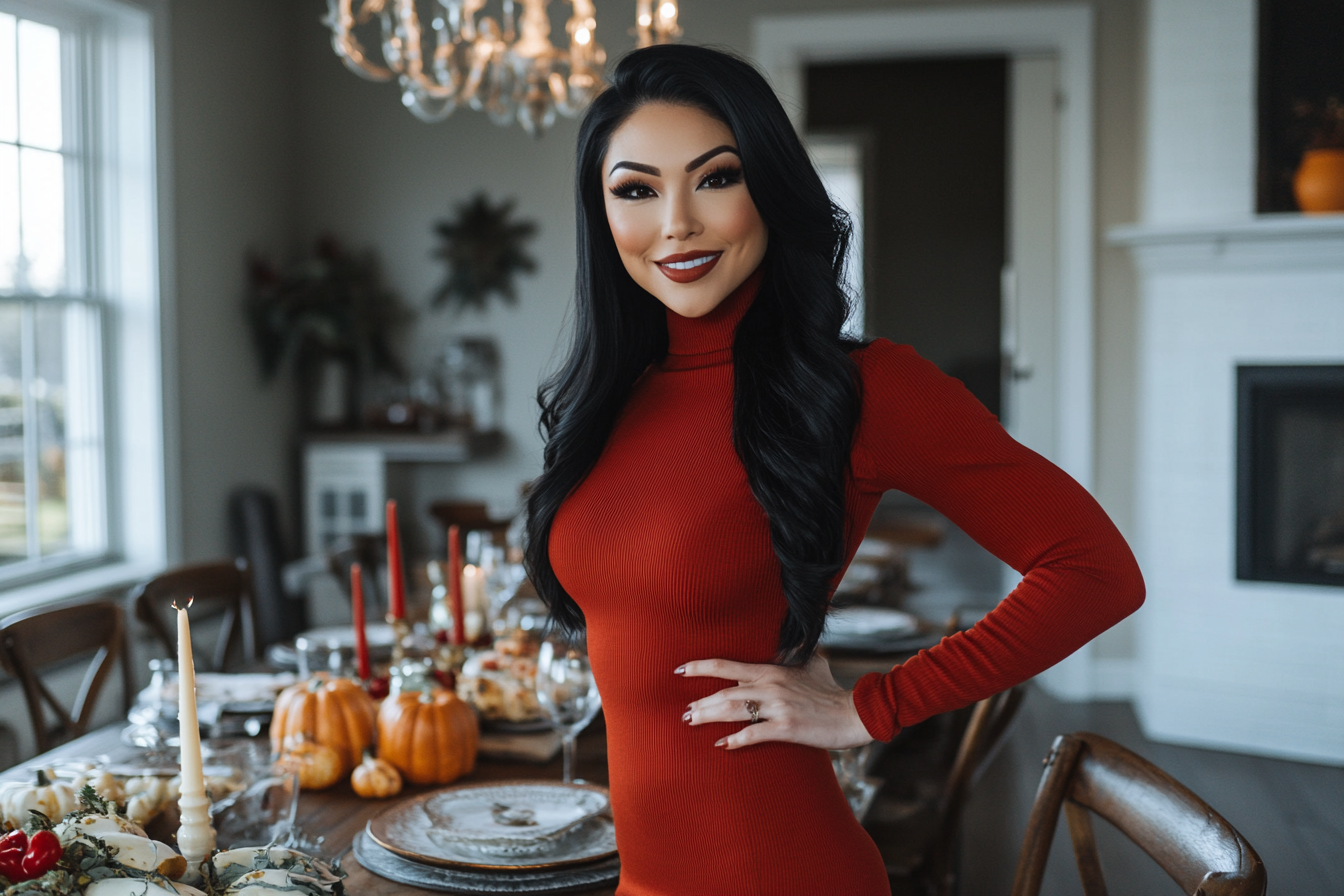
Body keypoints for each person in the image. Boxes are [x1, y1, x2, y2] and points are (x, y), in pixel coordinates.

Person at [525, 44, 1144, 896]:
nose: (676, 223)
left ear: (771, 190)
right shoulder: (615, 395)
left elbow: (1097, 571)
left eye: (715, 179)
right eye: (635, 189)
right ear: (603, 217)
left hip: (781, 870)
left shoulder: (862, 388)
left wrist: (867, 707)